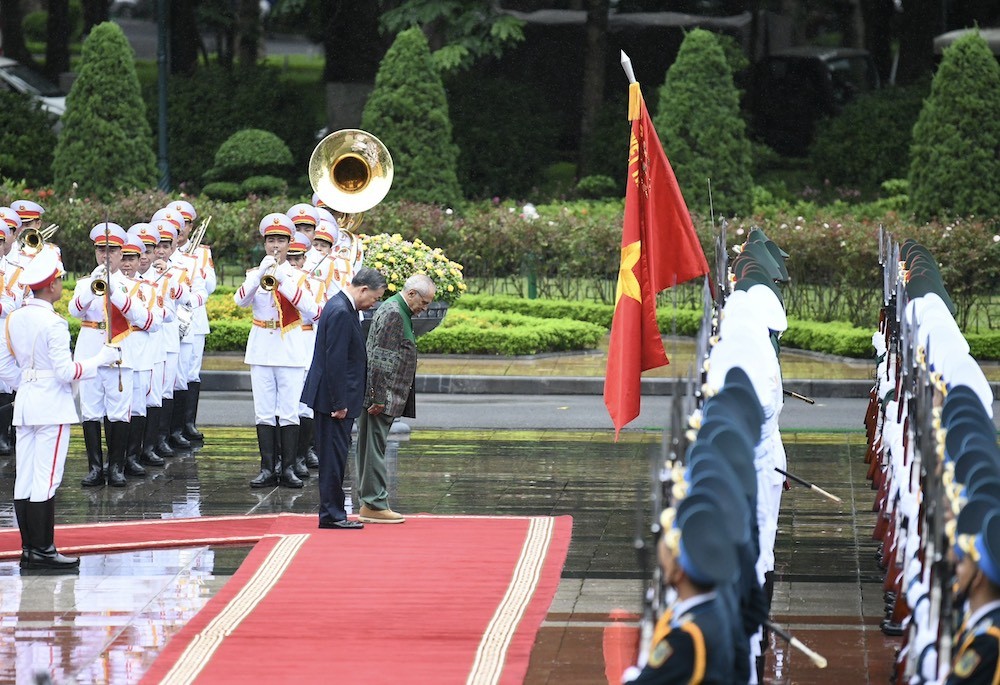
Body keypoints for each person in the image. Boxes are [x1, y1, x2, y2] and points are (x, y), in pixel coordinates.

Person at [0, 246, 120, 569]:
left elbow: (5, 368)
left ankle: (30, 550)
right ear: (51, 285)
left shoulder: (14, 318)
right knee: (47, 478)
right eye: (59, 280)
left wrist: (28, 382)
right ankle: (44, 550)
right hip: (51, 405)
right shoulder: (53, 323)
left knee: (24, 477)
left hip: (25, 403)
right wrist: (99, 360)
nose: (61, 285)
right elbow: (66, 372)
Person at [236, 214, 320, 489]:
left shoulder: (298, 276)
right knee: (263, 411)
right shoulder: (255, 274)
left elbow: (313, 310)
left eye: (280, 241)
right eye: (271, 240)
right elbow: (239, 301)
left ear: (289, 244)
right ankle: (266, 467)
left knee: (288, 411)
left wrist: (283, 279)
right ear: (264, 243)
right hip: (261, 346)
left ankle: (288, 467)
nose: (275, 246)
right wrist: (260, 275)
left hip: (290, 347)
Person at [69, 223, 155, 487]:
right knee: (91, 412)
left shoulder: (134, 286)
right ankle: (95, 467)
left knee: (119, 413)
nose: (106, 256)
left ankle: (116, 467)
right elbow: (75, 311)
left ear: (121, 253)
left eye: (112, 251)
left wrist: (114, 291)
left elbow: (145, 319)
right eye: (101, 250)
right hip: (91, 351)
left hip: (120, 351)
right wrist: (93, 285)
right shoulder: (86, 282)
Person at [301, 267, 386, 530]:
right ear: (363, 289)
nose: (374, 303)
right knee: (332, 459)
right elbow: (334, 361)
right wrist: (339, 404)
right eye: (374, 297)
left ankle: (334, 512)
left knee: (335, 457)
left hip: (336, 399)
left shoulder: (343, 307)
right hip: (333, 402)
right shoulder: (340, 310)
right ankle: (332, 515)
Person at [355, 274, 436, 524]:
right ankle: (375, 503)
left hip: (384, 394)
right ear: (411, 294)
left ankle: (371, 502)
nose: (426, 308)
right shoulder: (394, 313)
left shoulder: (396, 309)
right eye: (424, 302)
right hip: (381, 396)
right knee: (374, 449)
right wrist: (377, 398)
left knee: (371, 447)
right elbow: (380, 360)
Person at [947, 509, 1000, 683]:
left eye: (962, 563)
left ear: (978, 577)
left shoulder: (988, 640)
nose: (957, 569)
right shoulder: (983, 623)